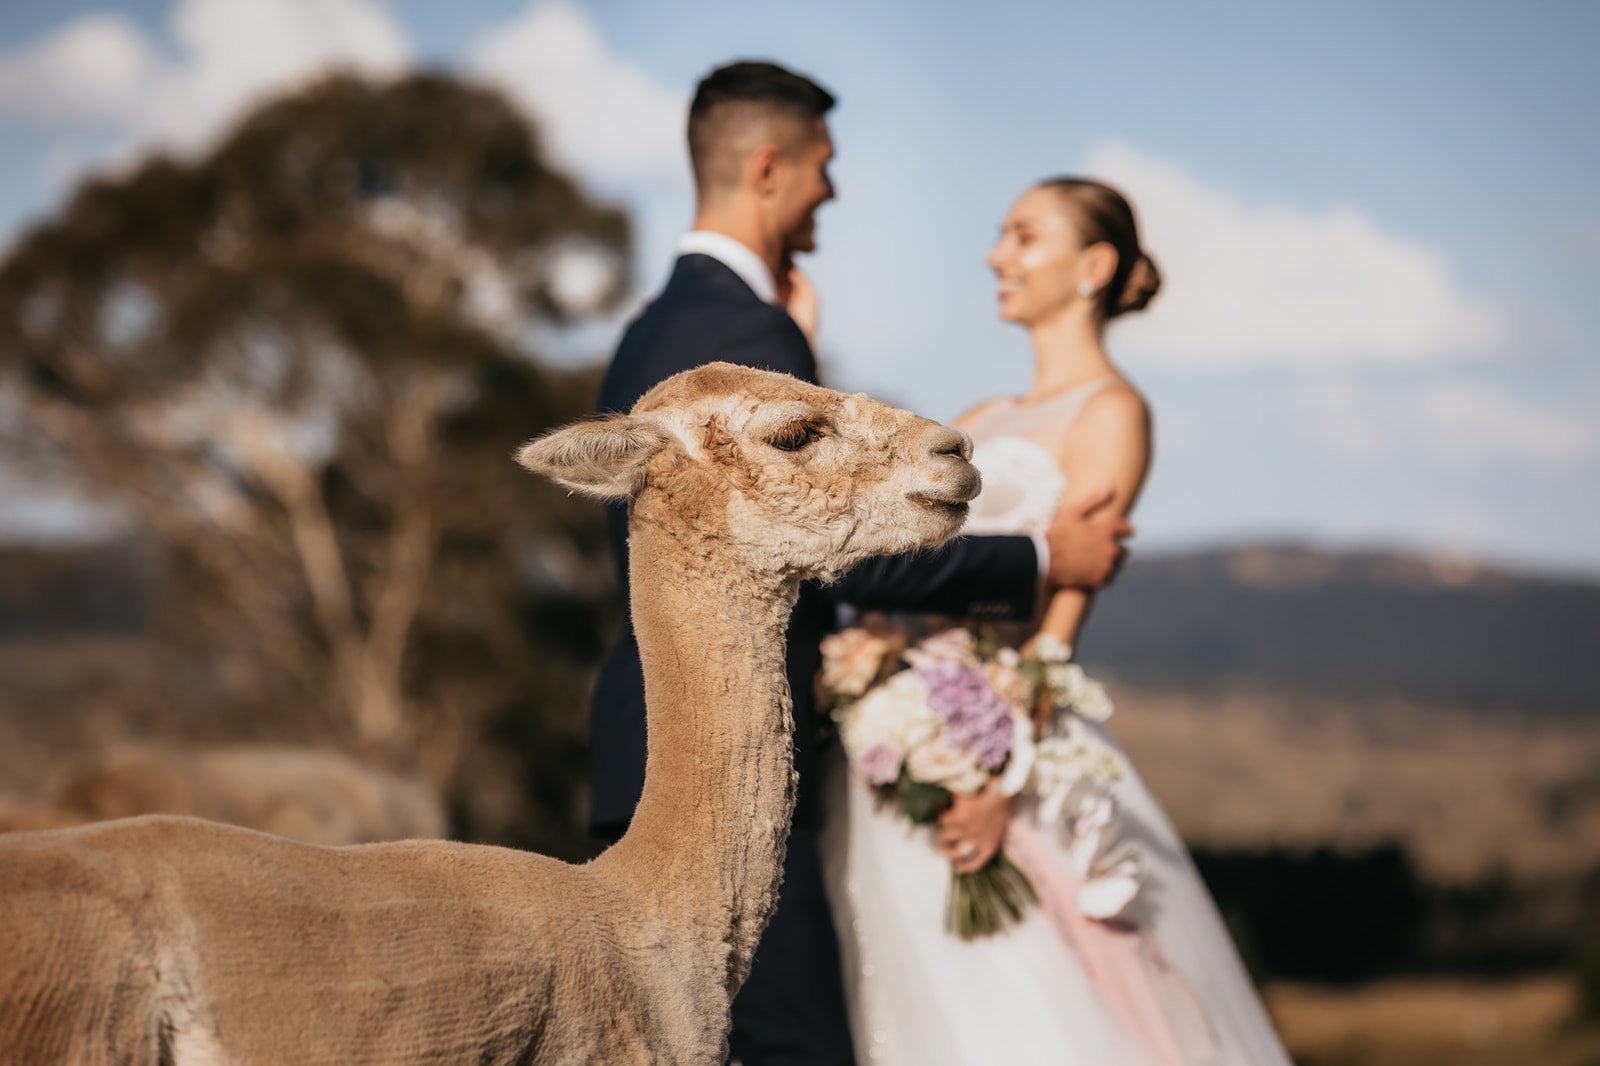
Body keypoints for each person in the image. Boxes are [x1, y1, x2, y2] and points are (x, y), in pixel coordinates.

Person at [588, 62, 1132, 1065]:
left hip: (661, 758)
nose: (830, 191)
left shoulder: (656, 326)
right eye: (822, 168)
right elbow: (840, 545)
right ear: (767, 167)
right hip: (713, 774)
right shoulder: (741, 333)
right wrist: (1050, 555)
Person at [820, 179, 1293, 1065]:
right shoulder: (975, 420)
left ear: (1094, 266)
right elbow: (882, 560)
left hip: (1005, 757)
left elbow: (1056, 635)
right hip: (895, 747)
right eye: (1002, 236)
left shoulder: (1112, 413)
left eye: (1024, 237)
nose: (998, 255)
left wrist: (1002, 781)